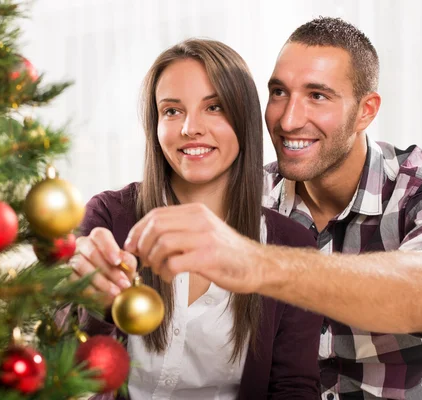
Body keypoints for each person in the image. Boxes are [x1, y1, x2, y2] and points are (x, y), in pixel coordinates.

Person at [123, 18, 422, 399]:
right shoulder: (251, 197)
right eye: (279, 93)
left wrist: (255, 263)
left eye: (317, 96)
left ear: (366, 110)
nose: (288, 119)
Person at [62, 38, 322, 399]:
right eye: (172, 111)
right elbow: (66, 371)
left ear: (244, 118)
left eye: (213, 107)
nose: (190, 128)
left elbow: (294, 388)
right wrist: (94, 304)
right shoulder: (107, 218)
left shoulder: (292, 245)